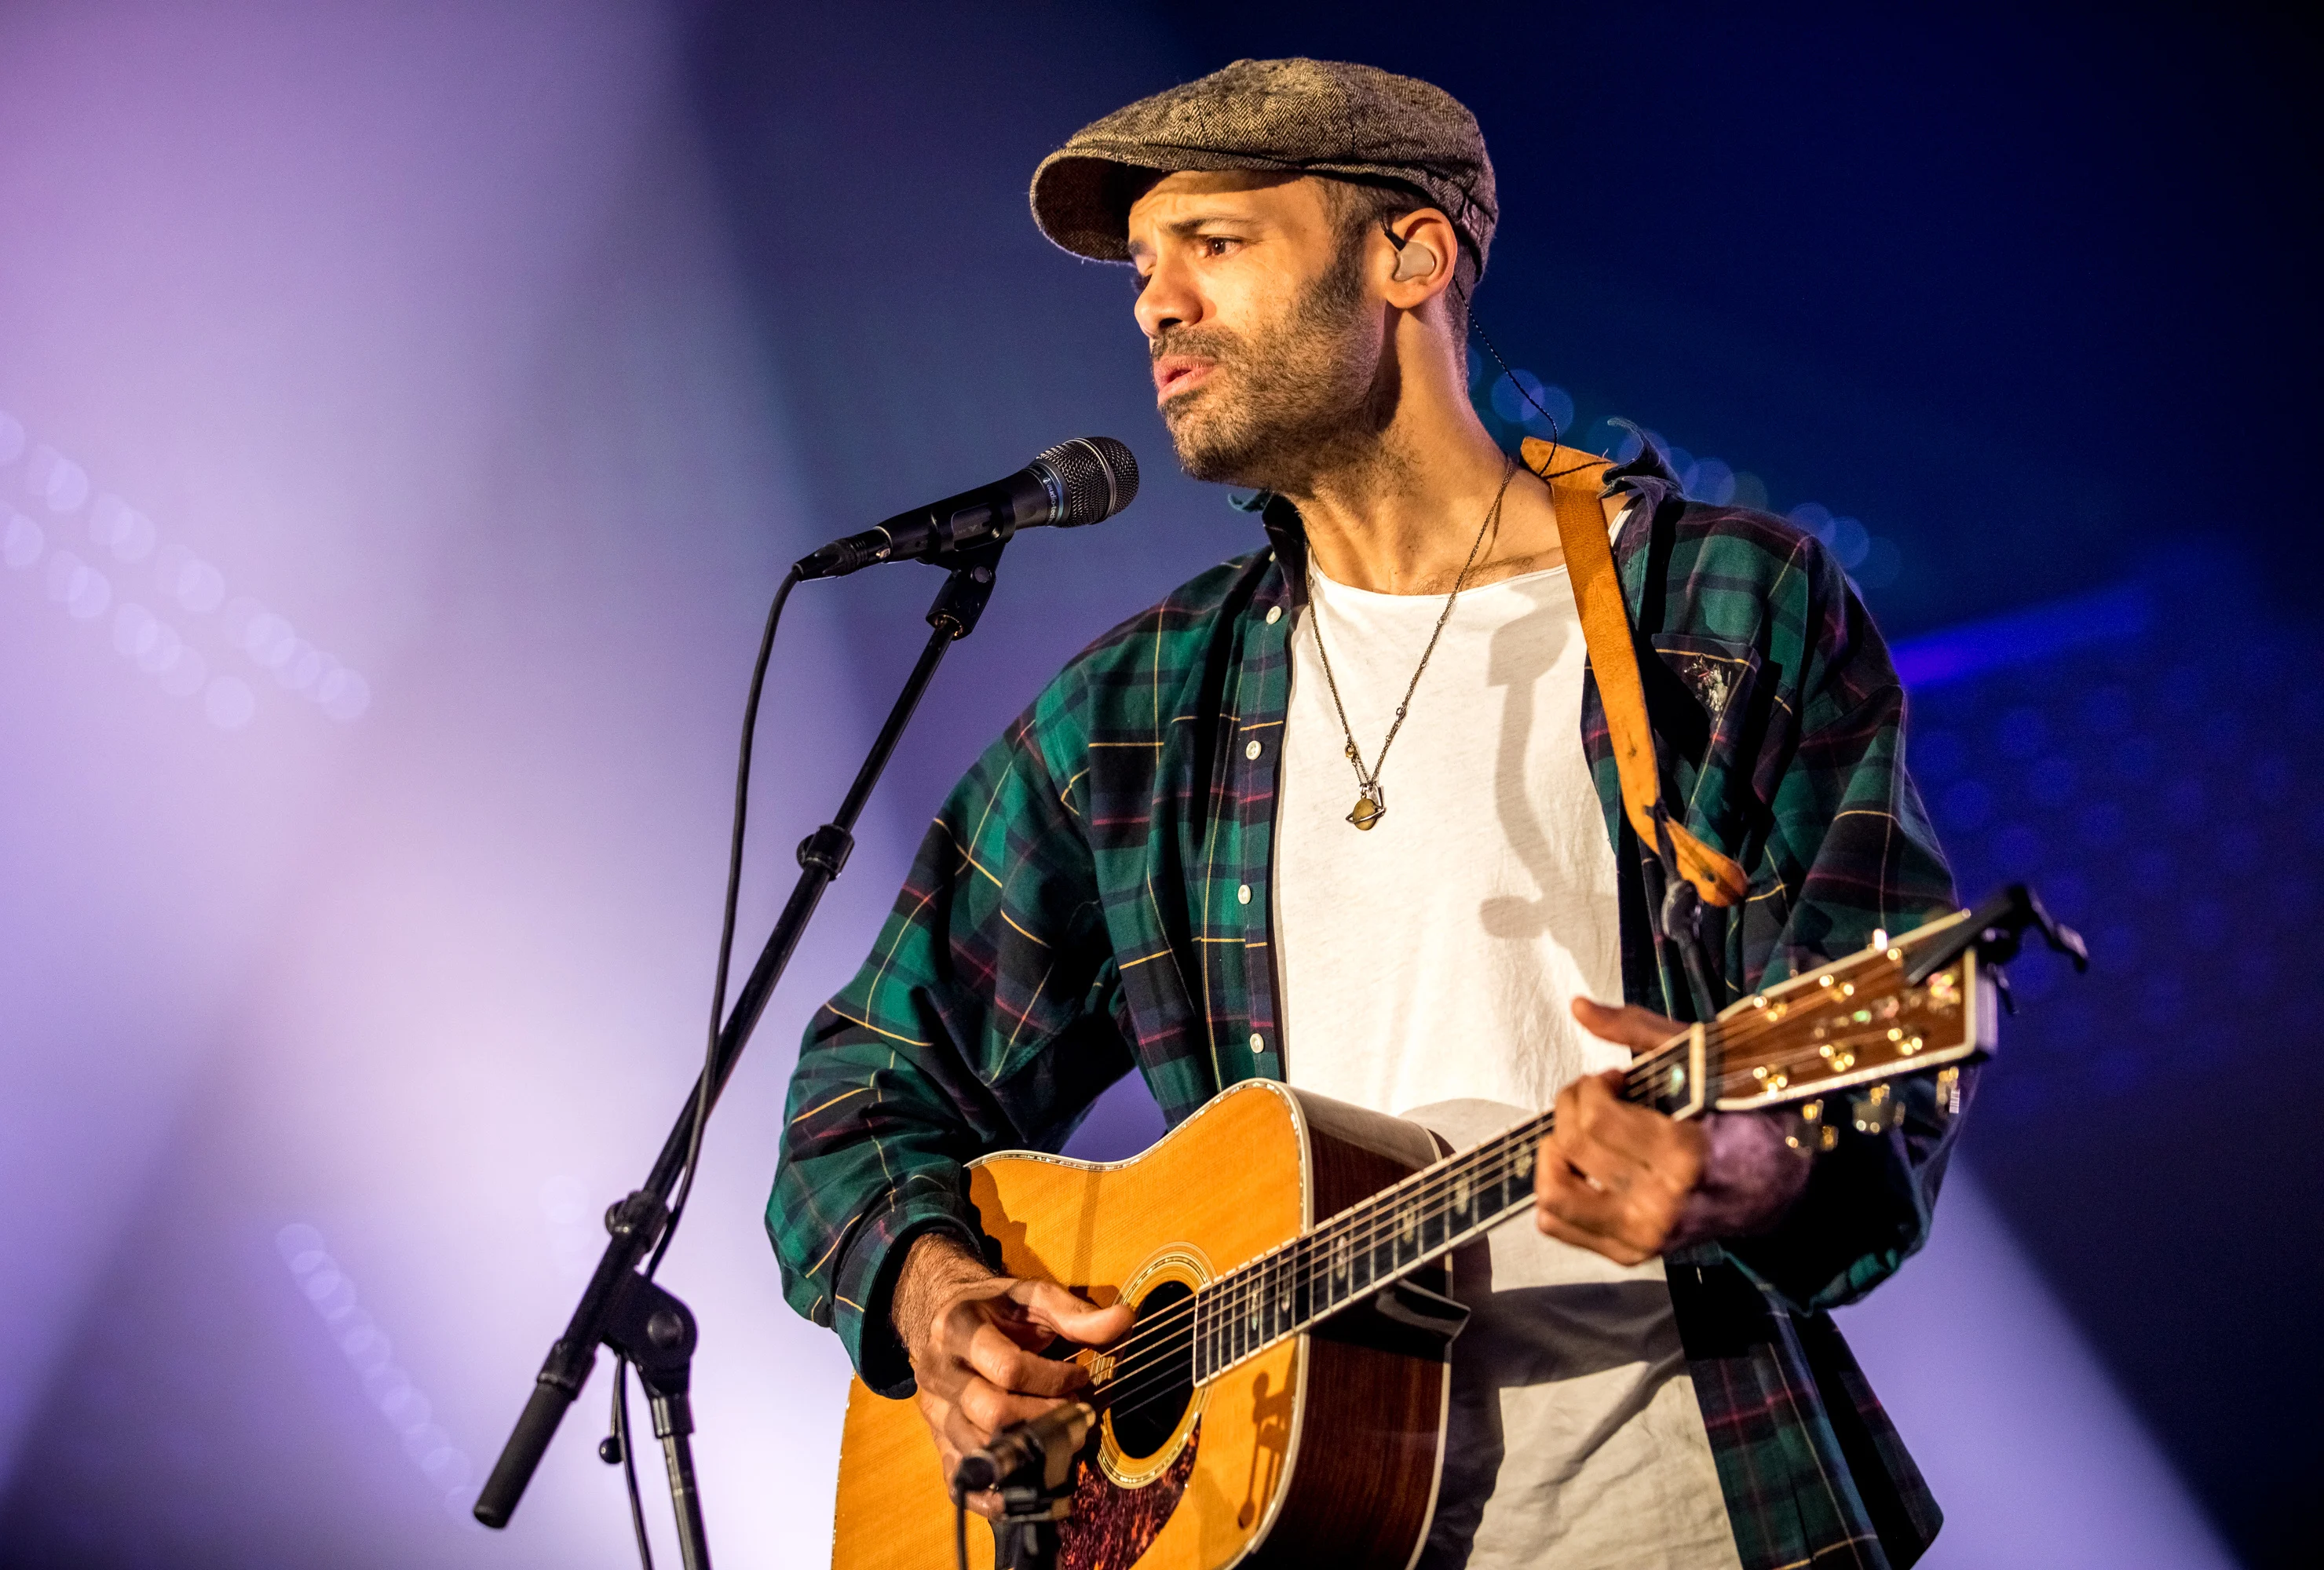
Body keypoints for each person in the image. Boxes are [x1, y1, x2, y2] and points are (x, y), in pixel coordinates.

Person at [767, 57, 1960, 1570]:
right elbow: (861, 1090)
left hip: (1672, 1516)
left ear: (1410, 256)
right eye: (1143, 269)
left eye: (1216, 242)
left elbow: (1887, 1058)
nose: (1154, 306)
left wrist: (1750, 1171)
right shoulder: (1138, 714)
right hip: (1273, 1530)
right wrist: (933, 1295)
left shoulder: (1720, 610)